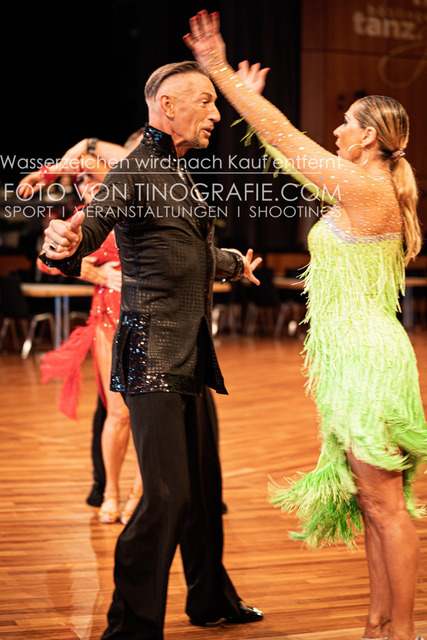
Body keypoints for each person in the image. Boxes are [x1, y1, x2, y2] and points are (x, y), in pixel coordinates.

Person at [183, 10, 427, 640]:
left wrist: (218, 69)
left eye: (346, 123)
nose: (336, 130)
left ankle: (401, 631)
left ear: (367, 138)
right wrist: (249, 105)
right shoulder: (359, 185)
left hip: (369, 360)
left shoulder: (365, 187)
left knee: (385, 505)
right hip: (352, 361)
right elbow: (288, 155)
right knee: (370, 503)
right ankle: (376, 625)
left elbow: (288, 139)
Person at [38, 61, 263, 640]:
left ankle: (210, 599)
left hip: (190, 355)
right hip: (155, 358)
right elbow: (88, 232)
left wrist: (233, 264)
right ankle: (130, 628)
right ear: (167, 105)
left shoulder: (178, 171)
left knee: (203, 493)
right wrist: (63, 242)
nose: (216, 114)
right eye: (206, 102)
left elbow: (184, 251)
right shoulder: (134, 172)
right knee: (166, 497)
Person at [33, 156, 143, 525]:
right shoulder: (83, 218)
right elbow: (47, 260)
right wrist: (94, 273)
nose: (86, 183)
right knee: (118, 412)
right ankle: (110, 491)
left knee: (148, 415)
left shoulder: (138, 208)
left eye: (93, 175)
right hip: (108, 318)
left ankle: (139, 493)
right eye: (80, 179)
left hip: (153, 317)